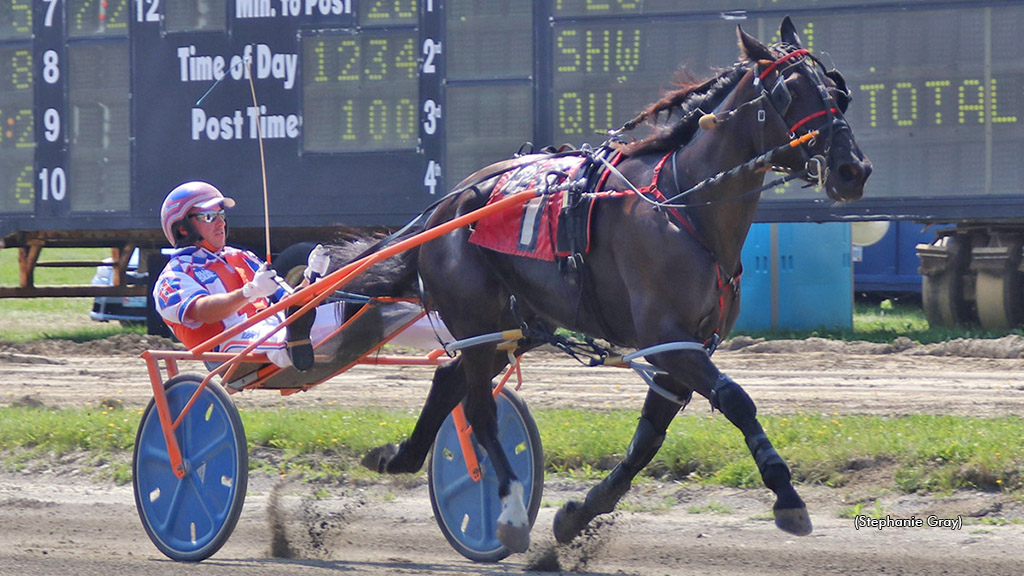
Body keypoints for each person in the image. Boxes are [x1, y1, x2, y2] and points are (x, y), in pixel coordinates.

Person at [152, 180, 336, 370]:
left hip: (275, 325)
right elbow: (202, 311)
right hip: (226, 346)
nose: (221, 223)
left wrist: (311, 277)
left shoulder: (242, 257)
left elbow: (291, 303)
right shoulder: (174, 276)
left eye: (221, 214)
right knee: (277, 336)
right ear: (183, 228)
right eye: (208, 217)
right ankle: (292, 343)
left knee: (338, 315)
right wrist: (250, 292)